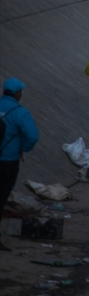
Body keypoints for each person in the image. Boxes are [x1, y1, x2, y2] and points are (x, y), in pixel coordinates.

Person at [0, 78, 39, 252]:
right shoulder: (20, 112)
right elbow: (32, 136)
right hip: (8, 161)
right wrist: (22, 148)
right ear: (17, 93)